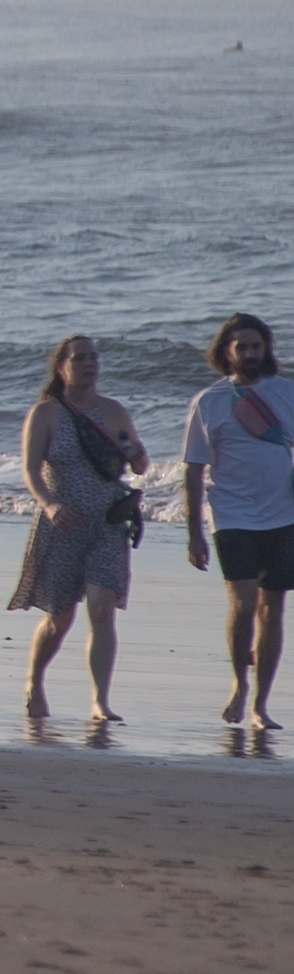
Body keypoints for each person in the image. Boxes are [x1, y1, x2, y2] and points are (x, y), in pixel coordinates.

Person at [12, 333, 147, 725]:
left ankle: (99, 702)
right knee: (60, 617)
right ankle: (34, 681)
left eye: (94, 357)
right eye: (80, 358)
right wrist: (49, 504)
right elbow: (31, 469)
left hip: (108, 523)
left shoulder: (114, 411)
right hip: (62, 524)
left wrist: (138, 456)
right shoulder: (46, 414)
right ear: (62, 367)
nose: (89, 364)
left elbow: (136, 462)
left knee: (102, 610)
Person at [179, 311, 291, 731]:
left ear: (266, 350)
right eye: (240, 346)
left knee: (273, 608)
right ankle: (239, 684)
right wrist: (194, 534)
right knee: (243, 605)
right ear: (226, 352)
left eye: (255, 346)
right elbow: (193, 471)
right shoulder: (209, 402)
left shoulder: (286, 393)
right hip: (232, 516)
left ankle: (261, 704)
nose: (248, 353)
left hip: (283, 516)